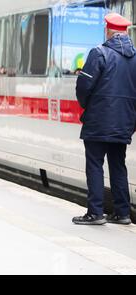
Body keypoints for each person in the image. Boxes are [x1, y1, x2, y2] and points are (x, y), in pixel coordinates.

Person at [72, 13, 136, 225]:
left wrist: (87, 106)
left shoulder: (99, 53)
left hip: (98, 120)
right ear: (125, 32)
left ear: (108, 30)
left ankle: (95, 213)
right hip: (124, 122)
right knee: (118, 165)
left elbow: (83, 87)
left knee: (95, 164)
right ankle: (122, 213)